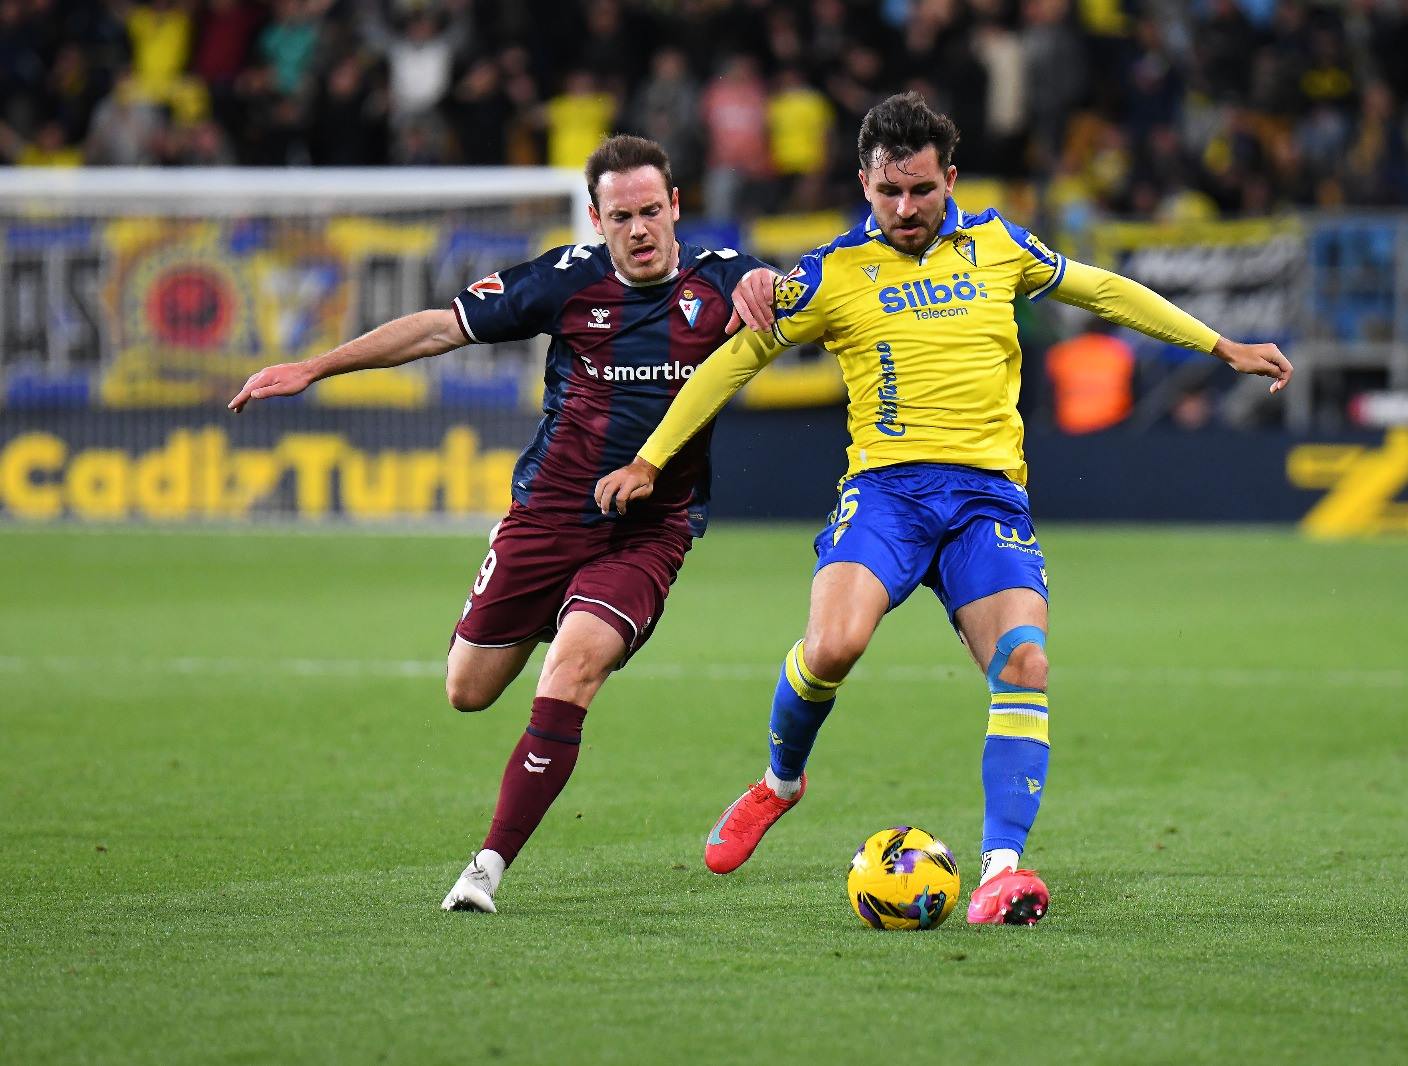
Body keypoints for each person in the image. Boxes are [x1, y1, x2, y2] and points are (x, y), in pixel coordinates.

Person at [594, 93, 1291, 925]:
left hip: (986, 501)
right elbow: (733, 361)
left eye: (921, 189)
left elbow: (1103, 290)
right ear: (864, 184)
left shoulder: (998, 245)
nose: (904, 208)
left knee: (1024, 662)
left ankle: (1001, 871)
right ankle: (779, 782)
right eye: (888, 191)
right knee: (833, 645)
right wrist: (650, 457)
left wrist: (1220, 345)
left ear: (949, 179)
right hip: (886, 496)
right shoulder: (832, 273)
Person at [229, 135, 775, 913]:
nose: (640, 229)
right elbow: (438, 328)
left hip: (648, 530)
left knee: (574, 668)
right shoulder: (565, 279)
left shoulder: (722, 281)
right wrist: (315, 368)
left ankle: (485, 868)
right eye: (622, 216)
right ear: (597, 220)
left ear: (676, 206)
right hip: (547, 517)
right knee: (468, 690)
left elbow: (806, 291)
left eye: (652, 210)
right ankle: (560, 604)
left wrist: (768, 279)